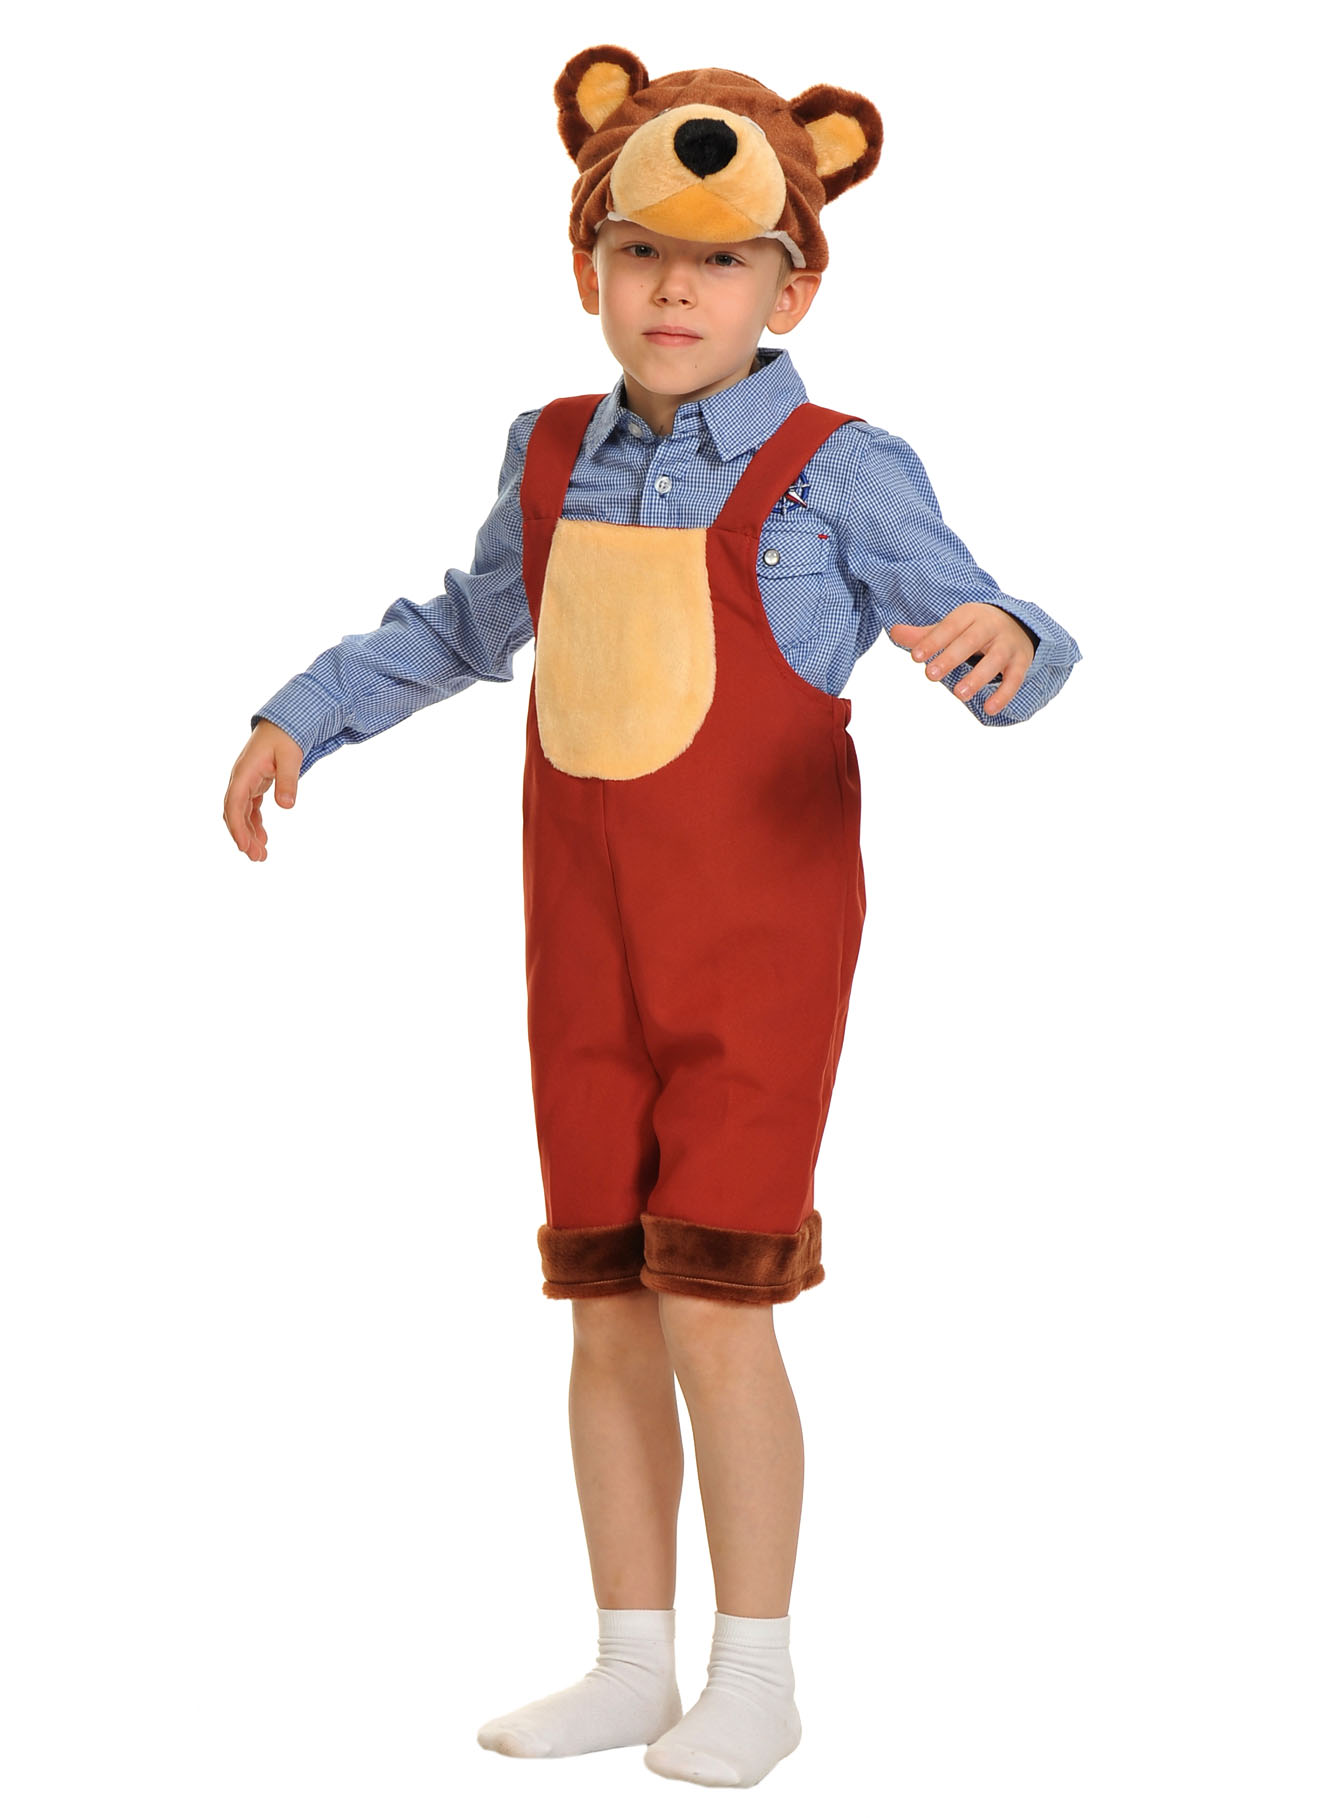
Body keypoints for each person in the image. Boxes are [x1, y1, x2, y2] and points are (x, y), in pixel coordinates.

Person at [222, 46, 1083, 1790]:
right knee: (604, 1292)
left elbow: (990, 619)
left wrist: (1008, 645)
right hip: (579, 941)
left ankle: (754, 1670)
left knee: (713, 1293)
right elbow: (467, 626)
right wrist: (304, 711)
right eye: (638, 254)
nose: (673, 290)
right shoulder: (550, 450)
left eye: (718, 261)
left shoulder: (841, 467)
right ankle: (630, 1657)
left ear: (789, 286)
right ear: (587, 268)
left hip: (757, 946)